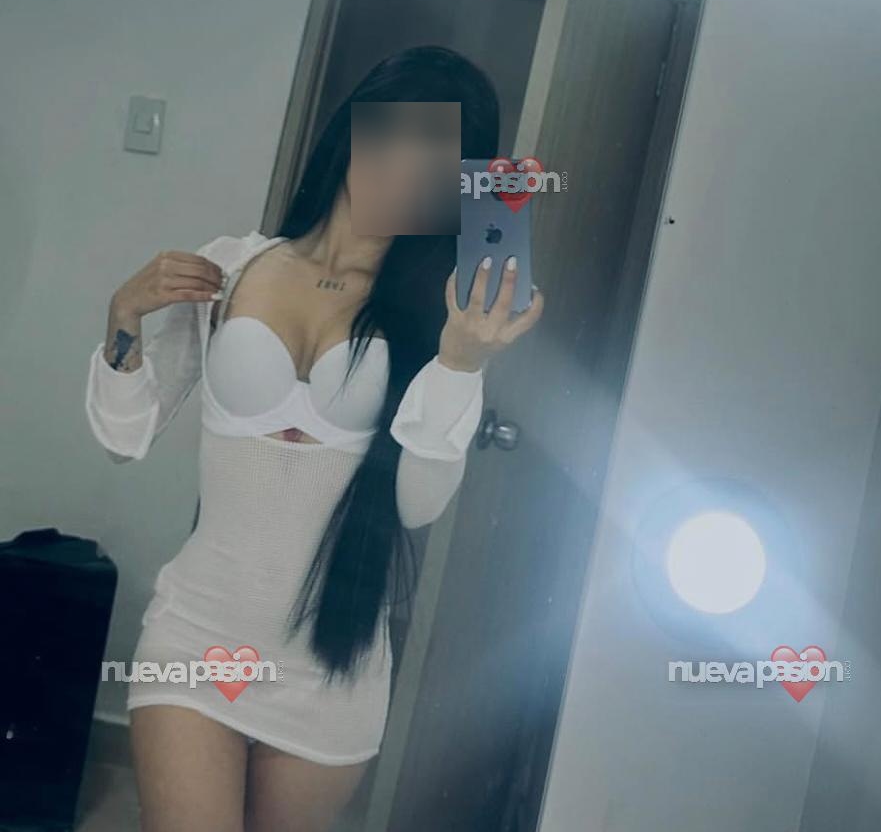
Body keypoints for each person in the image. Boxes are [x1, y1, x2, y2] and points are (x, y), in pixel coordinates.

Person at [85, 45, 544, 832]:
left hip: (331, 668)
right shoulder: (232, 266)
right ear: (354, 129)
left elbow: (416, 505)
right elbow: (123, 437)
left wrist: (461, 364)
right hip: (196, 635)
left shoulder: (437, 314)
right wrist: (122, 318)